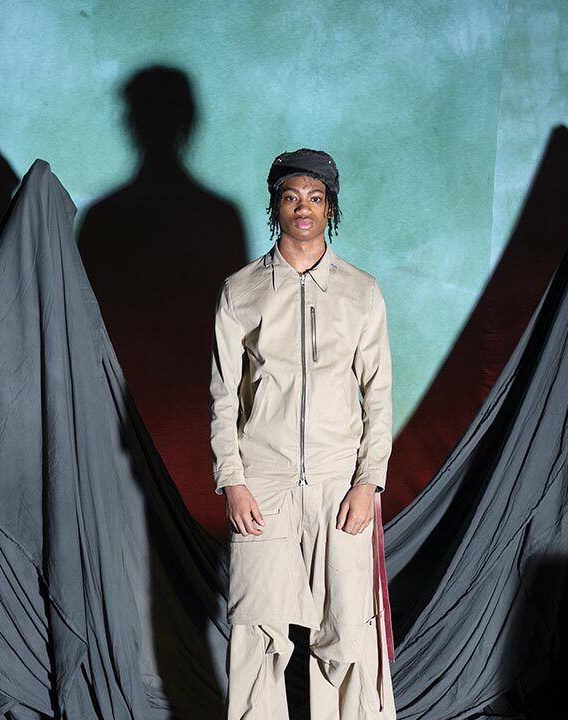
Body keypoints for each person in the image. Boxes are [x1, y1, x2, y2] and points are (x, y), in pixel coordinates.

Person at [210, 148, 396, 719]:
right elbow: (222, 398)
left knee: (347, 631)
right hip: (262, 483)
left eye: (315, 198)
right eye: (291, 197)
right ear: (275, 207)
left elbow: (379, 396)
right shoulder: (240, 290)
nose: (303, 208)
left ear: (330, 207)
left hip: (340, 483)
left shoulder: (361, 291)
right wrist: (232, 480)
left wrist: (368, 482)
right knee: (255, 629)